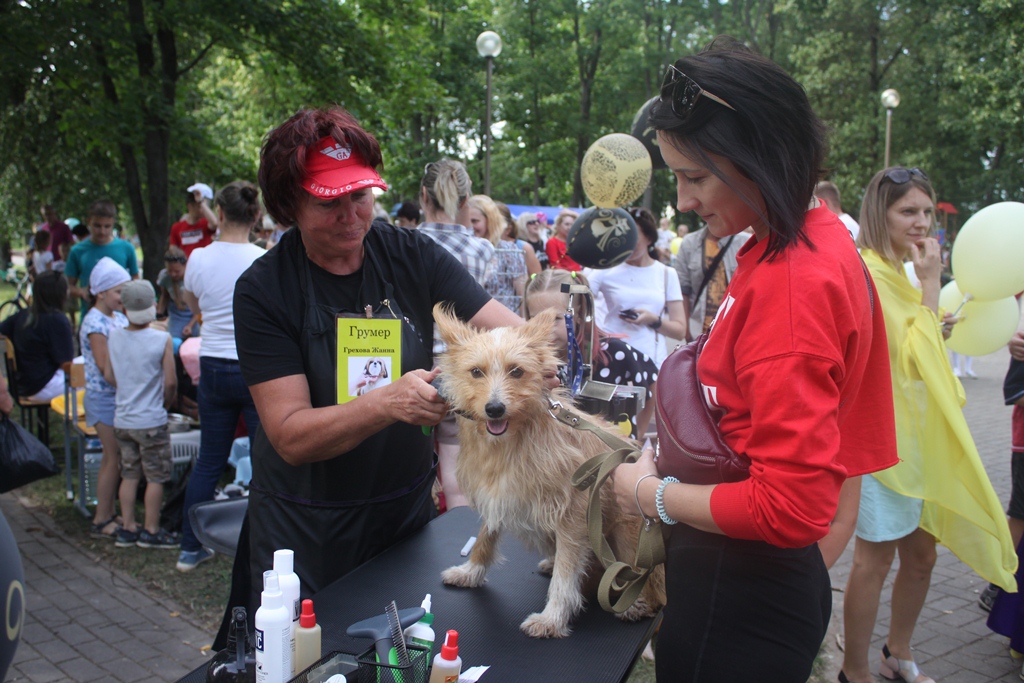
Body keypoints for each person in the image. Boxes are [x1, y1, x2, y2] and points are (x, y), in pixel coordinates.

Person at [608, 38, 900, 682]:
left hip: (738, 595)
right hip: (751, 583)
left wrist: (652, 494)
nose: (683, 200)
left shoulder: (793, 283)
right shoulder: (800, 239)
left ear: (757, 156)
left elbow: (790, 507)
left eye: (695, 176)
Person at [233, 105, 522, 619]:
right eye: (330, 201)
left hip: (403, 517)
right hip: (304, 529)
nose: (351, 215)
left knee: (404, 658)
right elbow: (290, 435)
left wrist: (561, 339)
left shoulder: (413, 256)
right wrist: (386, 403)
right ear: (288, 206)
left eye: (361, 196)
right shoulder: (263, 290)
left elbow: (506, 331)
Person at [842, 167, 1017, 683]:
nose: (921, 223)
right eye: (908, 212)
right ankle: (854, 670)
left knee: (922, 556)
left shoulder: (901, 274)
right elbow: (906, 354)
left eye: (926, 211)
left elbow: (920, 357)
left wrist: (927, 305)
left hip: (924, 439)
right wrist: (933, 284)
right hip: (882, 443)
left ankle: (898, 652)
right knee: (873, 561)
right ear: (882, 214)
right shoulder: (869, 273)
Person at [177, 181, 266, 572]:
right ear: (255, 216)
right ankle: (265, 545)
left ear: (221, 213)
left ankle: (188, 547)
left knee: (209, 460)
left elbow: (191, 303)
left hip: (212, 362)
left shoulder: (198, 257)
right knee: (266, 459)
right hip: (255, 366)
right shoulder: (261, 258)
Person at [416, 159, 495, 510]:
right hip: (460, 367)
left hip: (413, 366)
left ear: (423, 195)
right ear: (466, 201)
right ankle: (456, 541)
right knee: (456, 466)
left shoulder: (408, 245)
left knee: (410, 465)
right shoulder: (483, 250)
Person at [525, 269, 659, 437]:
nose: (546, 328)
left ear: (579, 314)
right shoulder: (529, 363)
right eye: (535, 318)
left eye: (556, 319)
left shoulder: (614, 352)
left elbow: (651, 379)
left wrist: (639, 433)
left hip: (611, 455)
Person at [103, 280, 178, 549]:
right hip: (151, 420)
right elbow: (170, 382)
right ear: (152, 307)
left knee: (130, 474)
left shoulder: (114, 336)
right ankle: (151, 529)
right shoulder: (162, 339)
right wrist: (165, 405)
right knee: (156, 477)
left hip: (122, 419)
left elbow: (110, 375)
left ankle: (127, 527)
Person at [586, 207, 686, 367]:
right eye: (621, 237)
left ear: (649, 237)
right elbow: (577, 298)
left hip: (652, 362)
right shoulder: (605, 270)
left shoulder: (667, 274)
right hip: (613, 359)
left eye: (632, 237)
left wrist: (653, 319)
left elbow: (680, 331)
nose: (627, 244)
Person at [79, 257, 132, 541]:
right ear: (100, 292)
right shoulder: (94, 322)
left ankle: (111, 512)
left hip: (118, 398)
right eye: (117, 292)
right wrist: (130, 385)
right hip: (104, 399)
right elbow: (104, 367)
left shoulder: (118, 317)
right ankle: (101, 519)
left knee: (119, 459)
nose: (122, 297)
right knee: (111, 458)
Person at [0, 271, 74, 403]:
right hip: (44, 385)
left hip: (22, 386)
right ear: (61, 293)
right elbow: (66, 365)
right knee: (94, 379)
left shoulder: (22, 315)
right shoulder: (58, 320)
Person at [674, 221, 750, 342]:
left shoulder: (745, 242)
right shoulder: (689, 243)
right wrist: (687, 330)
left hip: (733, 334)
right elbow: (683, 289)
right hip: (698, 332)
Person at [65, 200, 139, 316]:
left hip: (122, 319)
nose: (102, 231)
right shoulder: (77, 251)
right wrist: (82, 292)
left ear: (113, 223)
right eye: (97, 226)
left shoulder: (126, 248)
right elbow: (68, 286)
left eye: (107, 226)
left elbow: (136, 280)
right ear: (89, 222)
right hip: (90, 317)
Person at [469, 195, 530, 314]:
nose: (470, 226)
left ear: (490, 221)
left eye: (475, 221)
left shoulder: (508, 250)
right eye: (468, 221)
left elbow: (523, 295)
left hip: (505, 326)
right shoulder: (465, 250)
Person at [156, 246, 196, 344]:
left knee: (192, 341)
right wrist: (159, 312)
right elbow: (165, 295)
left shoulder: (192, 276)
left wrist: (190, 325)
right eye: (170, 271)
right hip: (176, 312)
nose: (173, 274)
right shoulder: (165, 277)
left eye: (177, 271)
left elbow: (199, 305)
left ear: (185, 266)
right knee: (175, 341)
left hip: (193, 312)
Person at [169, 187, 220, 257]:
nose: (202, 210)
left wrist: (201, 202)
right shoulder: (177, 227)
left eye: (203, 207)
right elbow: (173, 250)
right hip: (185, 266)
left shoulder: (205, 224)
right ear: (190, 206)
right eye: (199, 207)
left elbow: (215, 224)